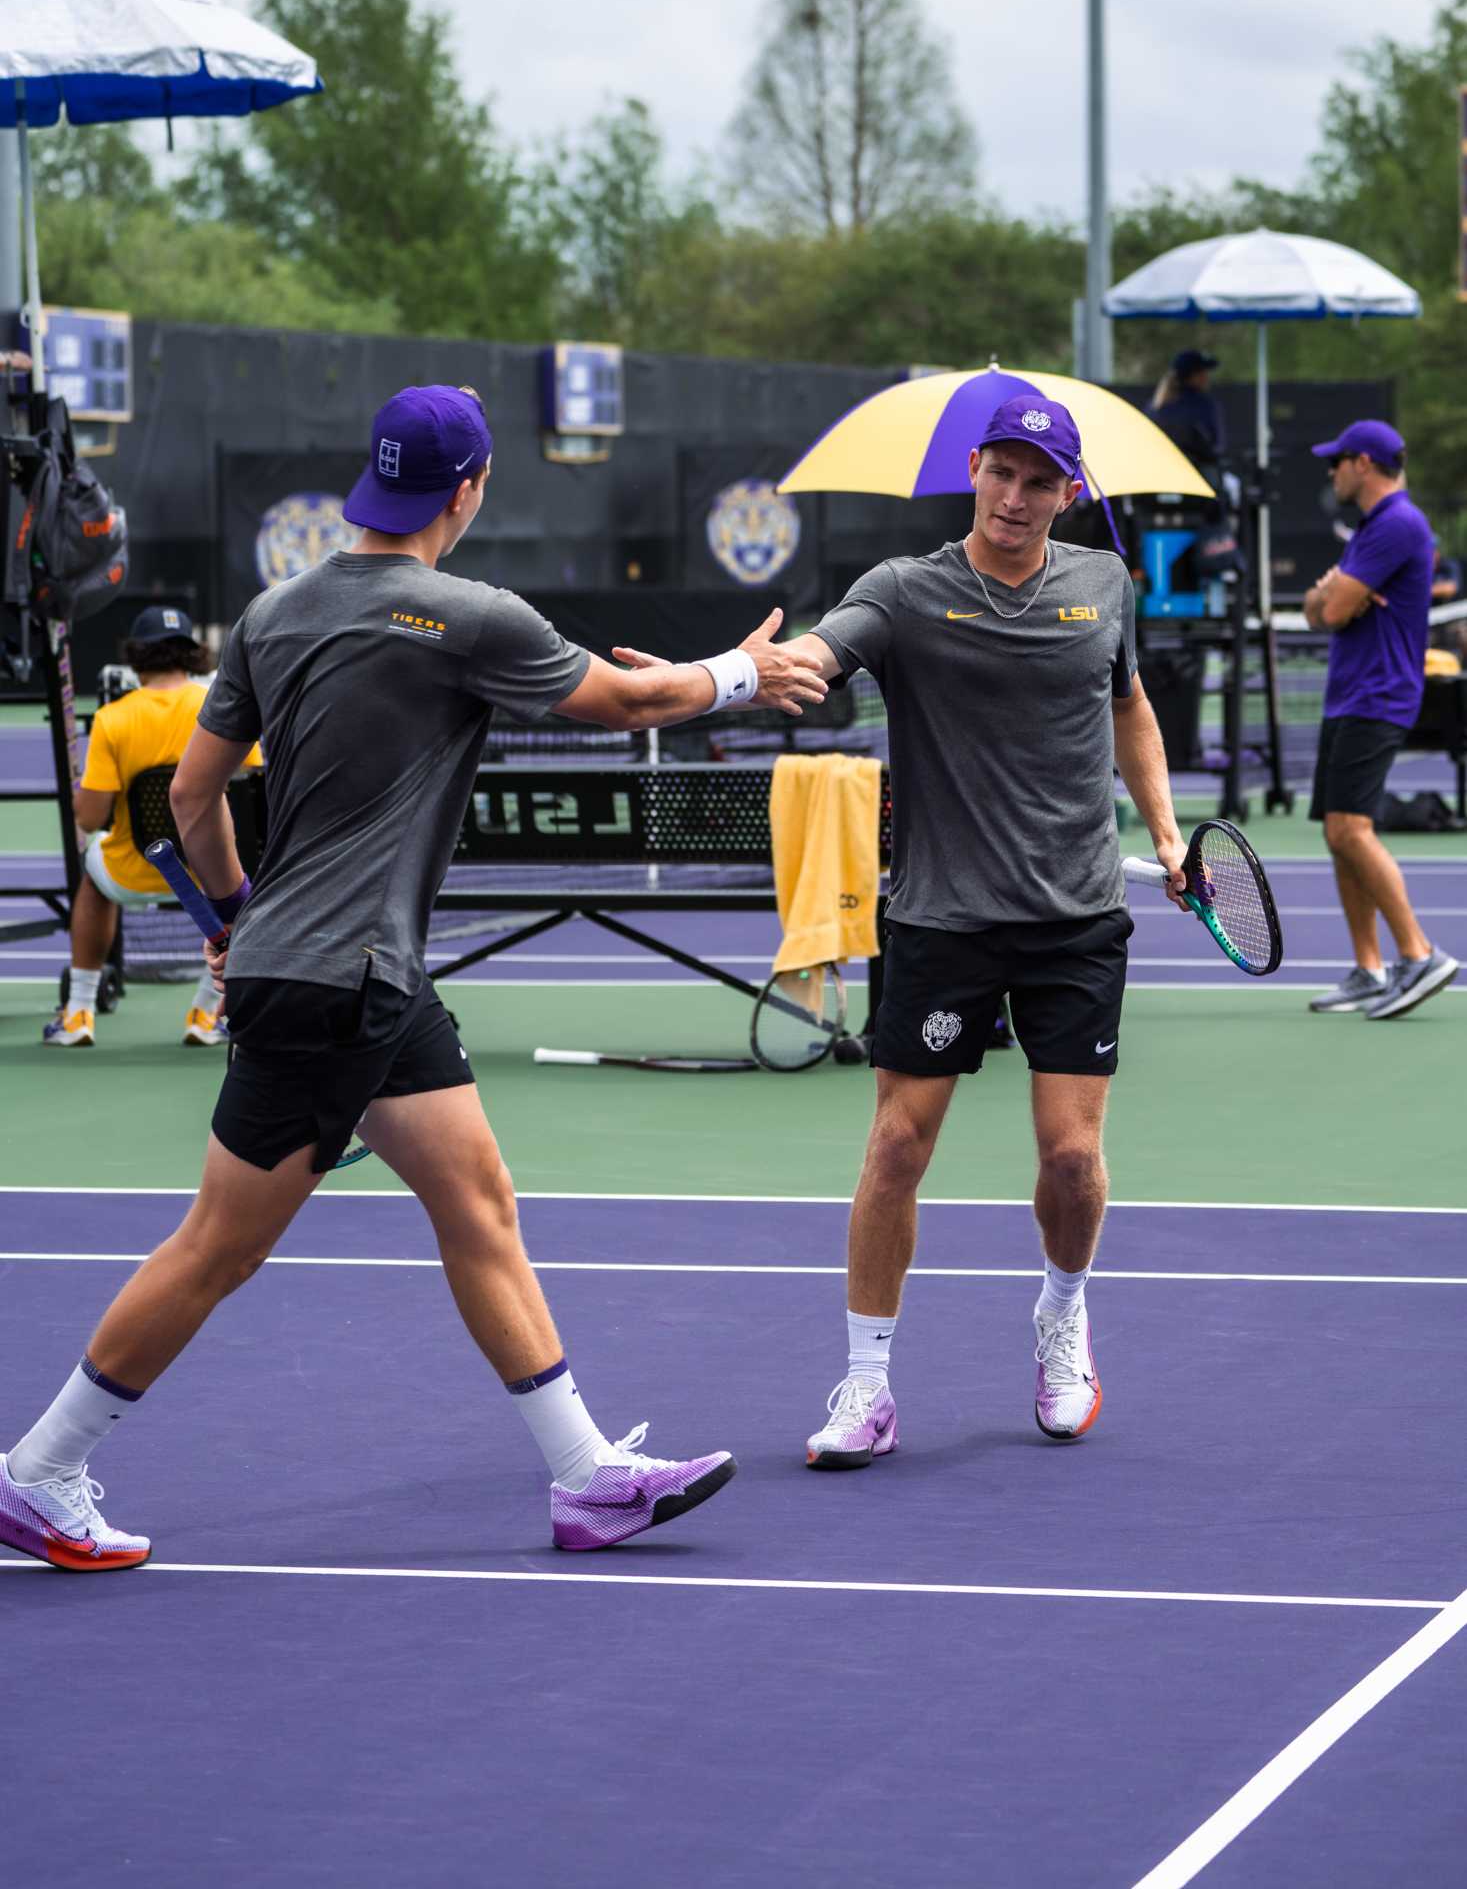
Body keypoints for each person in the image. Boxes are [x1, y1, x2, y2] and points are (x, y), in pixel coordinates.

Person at [0, 384, 827, 1572]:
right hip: (341, 981)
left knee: (478, 1198)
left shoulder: (274, 614)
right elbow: (635, 700)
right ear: (470, 489)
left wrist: (238, 915)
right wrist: (748, 670)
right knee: (219, 1247)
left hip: (358, 975)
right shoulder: (469, 615)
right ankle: (38, 1471)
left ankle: (586, 1475)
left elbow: (189, 802)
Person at [778, 394, 1189, 1469]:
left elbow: (1129, 702)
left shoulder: (1103, 584)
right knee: (898, 1147)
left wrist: (1165, 824)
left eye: (1040, 479)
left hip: (1076, 918)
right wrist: (767, 672)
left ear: (1069, 492)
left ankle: (1063, 1316)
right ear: (974, 470)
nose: (1016, 496)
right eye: (1002, 472)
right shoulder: (907, 591)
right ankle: (867, 1385)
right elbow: (824, 653)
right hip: (942, 920)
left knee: (1071, 1158)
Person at [42, 606, 260, 1051]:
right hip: (215, 880)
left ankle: (78, 1012)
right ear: (191, 654)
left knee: (93, 879)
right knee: (242, 888)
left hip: (130, 874)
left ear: (137, 655)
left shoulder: (112, 719)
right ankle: (206, 1012)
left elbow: (87, 819)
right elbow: (248, 792)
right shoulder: (218, 708)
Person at [1302, 419, 1459, 1020]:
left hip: (1378, 694)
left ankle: (1418, 954)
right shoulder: (1374, 526)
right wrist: (1328, 599)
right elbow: (1324, 610)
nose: (1331, 473)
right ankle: (1370, 968)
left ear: (1363, 463)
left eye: (1335, 462)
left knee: (1349, 830)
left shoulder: (1396, 523)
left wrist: (1329, 595)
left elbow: (1332, 607)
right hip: (1351, 693)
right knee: (1336, 834)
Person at [1149, 348, 1228, 495]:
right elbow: (1218, 446)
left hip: (1157, 481)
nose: (1207, 377)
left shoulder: (1155, 407)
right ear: (1193, 376)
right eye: (1203, 372)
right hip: (1201, 483)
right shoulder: (1206, 405)